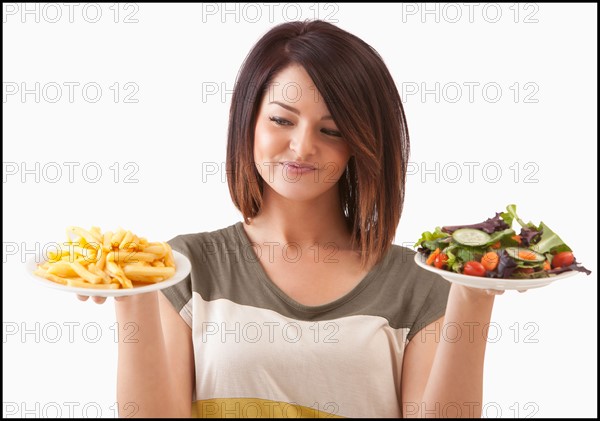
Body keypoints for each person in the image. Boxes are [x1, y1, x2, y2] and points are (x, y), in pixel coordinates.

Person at [80, 20, 501, 418]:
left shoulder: (421, 283)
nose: (301, 148)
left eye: (332, 130)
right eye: (282, 120)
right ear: (248, 122)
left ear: (361, 143)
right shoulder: (183, 266)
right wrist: (131, 296)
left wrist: (475, 295)